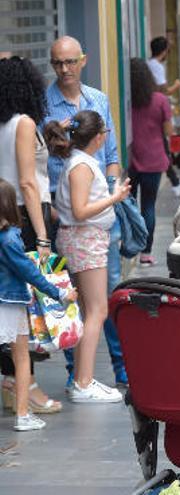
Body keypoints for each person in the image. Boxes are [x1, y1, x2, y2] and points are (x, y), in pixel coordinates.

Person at [44, 36, 128, 391]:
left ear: (83, 60)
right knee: (79, 298)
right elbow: (40, 161)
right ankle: (78, 374)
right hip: (64, 212)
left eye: (69, 62)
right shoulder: (44, 102)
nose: (64, 70)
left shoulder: (99, 100)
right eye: (57, 64)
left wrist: (110, 190)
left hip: (96, 208)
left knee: (104, 293)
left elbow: (111, 154)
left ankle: (114, 365)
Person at [0, 56, 62, 415]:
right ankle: (28, 386)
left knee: (9, 303)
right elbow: (27, 181)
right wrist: (41, 235)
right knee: (25, 304)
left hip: (4, 214)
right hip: (23, 216)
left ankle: (12, 380)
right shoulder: (23, 123)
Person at [0, 179, 77, 429]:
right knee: (22, 359)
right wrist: (60, 294)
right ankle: (23, 416)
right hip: (10, 305)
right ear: (12, 206)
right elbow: (29, 274)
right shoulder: (11, 238)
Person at [128, 58, 172, 267]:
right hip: (154, 159)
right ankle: (146, 252)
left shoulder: (126, 102)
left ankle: (130, 246)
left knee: (129, 204)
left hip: (131, 159)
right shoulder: (160, 100)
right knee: (148, 206)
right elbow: (168, 131)